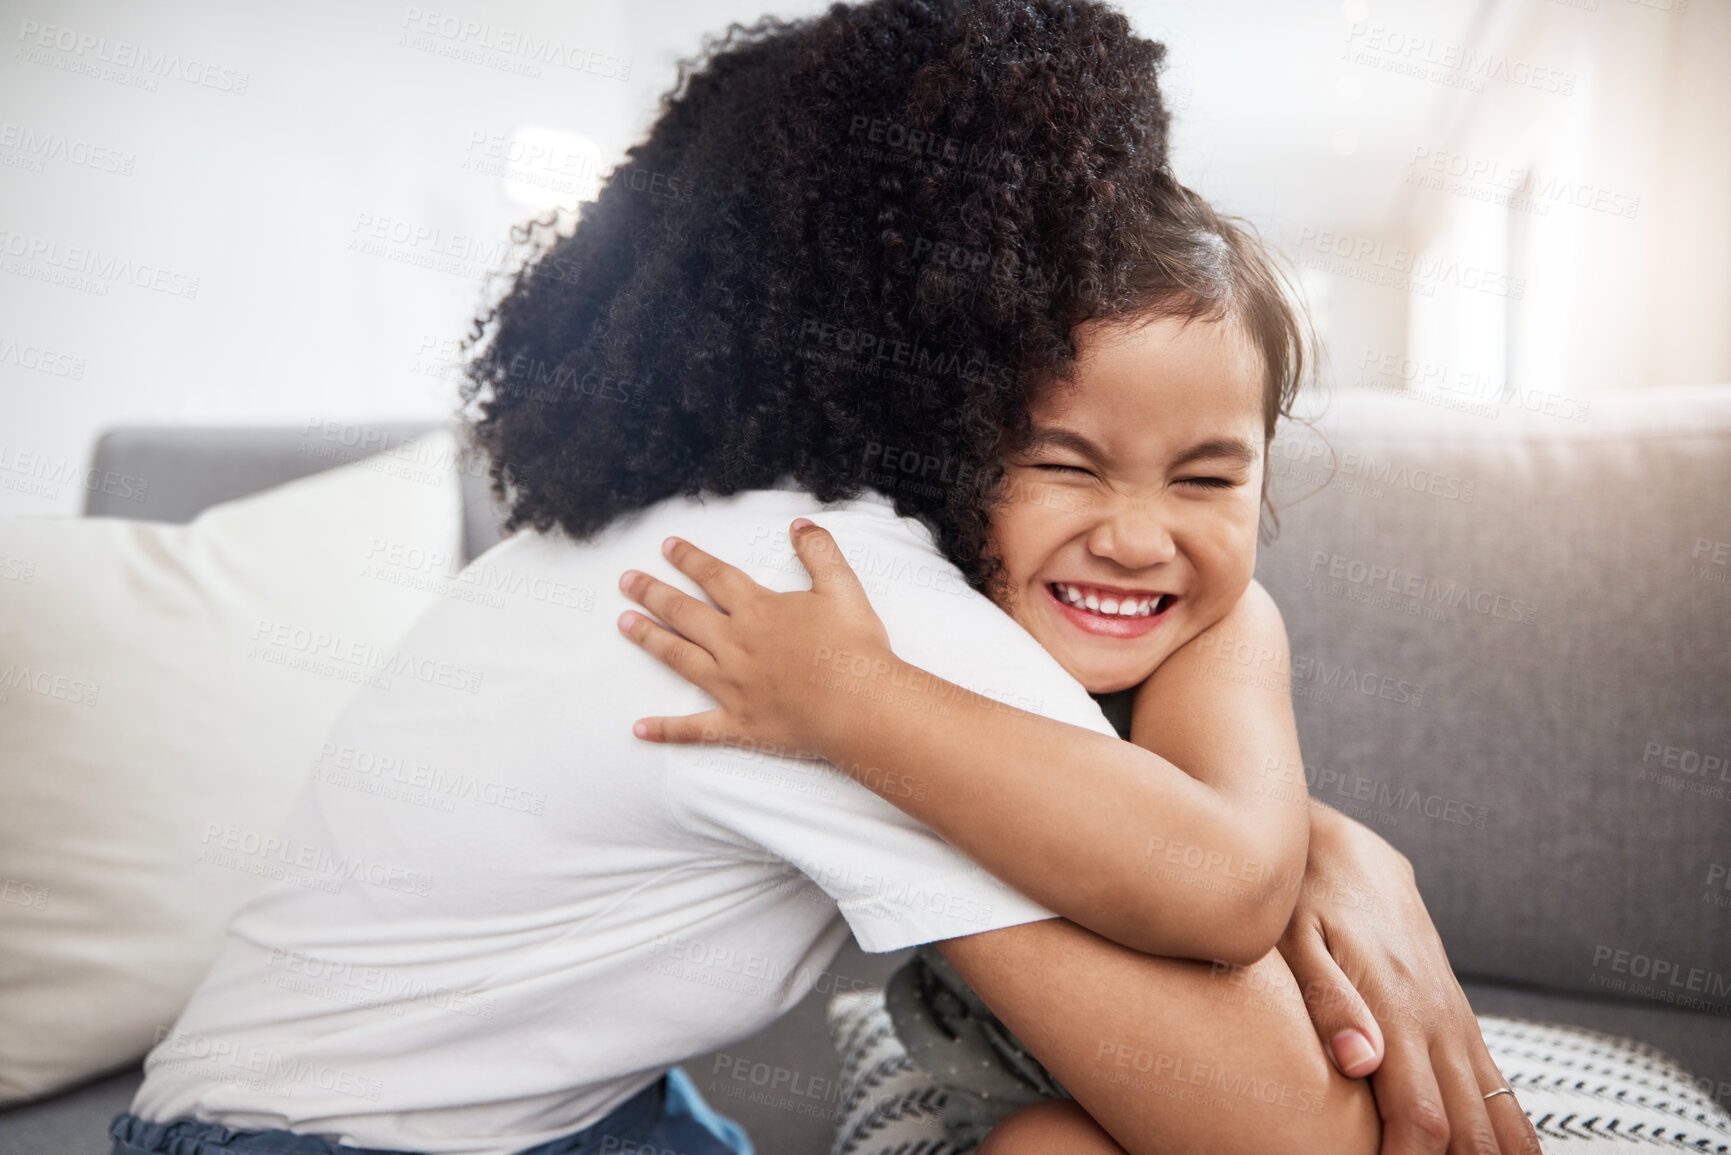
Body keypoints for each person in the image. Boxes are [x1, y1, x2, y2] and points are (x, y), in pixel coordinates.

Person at [110, 2, 1539, 1153]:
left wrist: (1324, 842)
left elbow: (1144, 818)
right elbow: (1285, 1129)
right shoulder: (817, 610)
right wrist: (1250, 644)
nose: (1135, 525)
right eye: (1038, 270)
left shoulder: (715, 517)